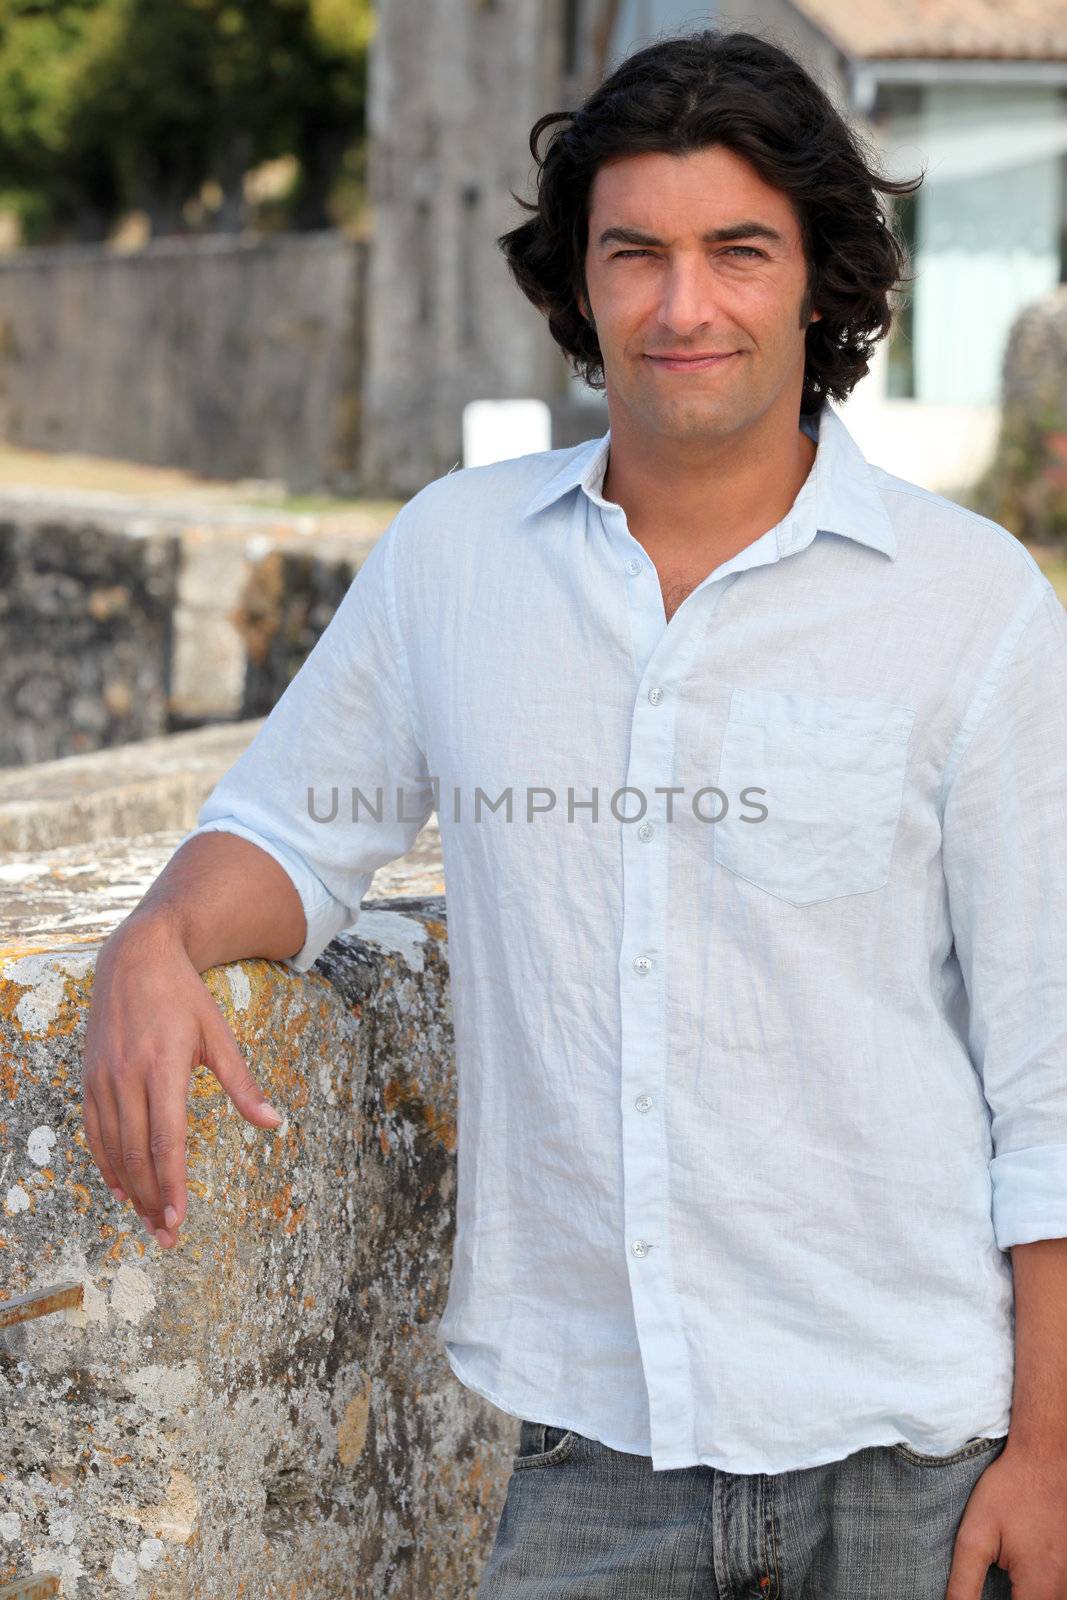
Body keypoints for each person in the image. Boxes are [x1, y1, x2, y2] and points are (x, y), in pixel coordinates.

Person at [81, 27, 1067, 1600]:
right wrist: (157, 936)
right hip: (594, 1463)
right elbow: (292, 826)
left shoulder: (975, 607)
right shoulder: (456, 558)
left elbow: (1050, 1064)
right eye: (638, 254)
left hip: (922, 1468)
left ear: (818, 279)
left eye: (739, 251)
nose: (685, 306)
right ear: (580, 283)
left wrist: (1054, 1454)